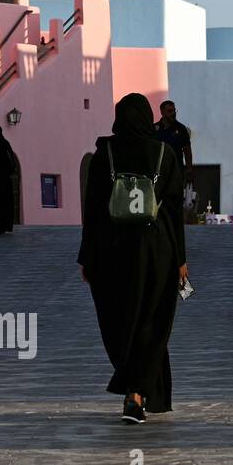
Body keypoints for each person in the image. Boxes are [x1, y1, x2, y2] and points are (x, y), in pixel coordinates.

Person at [78, 93, 189, 424]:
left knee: (119, 321)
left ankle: (134, 390)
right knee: (152, 321)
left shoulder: (104, 155)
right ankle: (137, 393)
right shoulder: (164, 154)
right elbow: (172, 212)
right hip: (156, 250)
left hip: (112, 252)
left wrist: (87, 257)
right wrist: (180, 259)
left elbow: (93, 211)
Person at [154, 100, 193, 180]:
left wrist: (189, 170)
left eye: (174, 110)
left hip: (176, 172)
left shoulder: (181, 129)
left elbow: (187, 151)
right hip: (159, 172)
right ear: (162, 112)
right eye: (169, 111)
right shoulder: (154, 129)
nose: (173, 113)